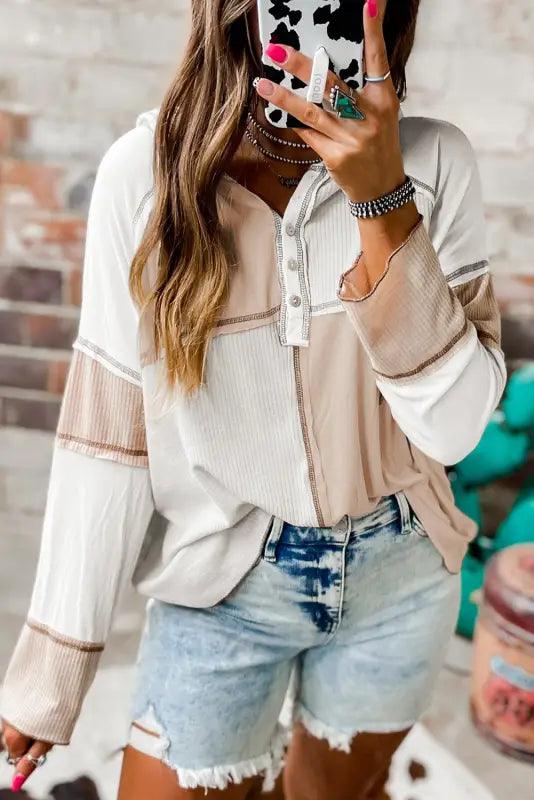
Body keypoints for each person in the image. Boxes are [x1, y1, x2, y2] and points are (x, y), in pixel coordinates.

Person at [0, 0, 506, 798]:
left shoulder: (436, 163)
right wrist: (55, 664)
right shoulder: (145, 179)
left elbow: (452, 431)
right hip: (223, 585)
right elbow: (110, 437)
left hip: (400, 575)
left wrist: (384, 205)